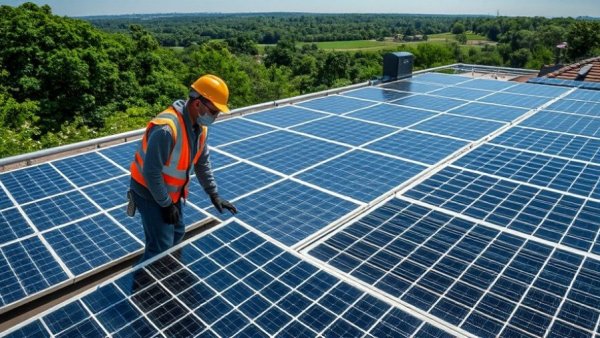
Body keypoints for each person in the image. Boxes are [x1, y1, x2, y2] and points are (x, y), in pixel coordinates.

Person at [129, 74, 237, 261]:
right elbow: (151, 172)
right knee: (160, 247)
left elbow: (202, 163)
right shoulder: (167, 129)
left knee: (178, 233)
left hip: (171, 195)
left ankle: (168, 274)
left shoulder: (200, 129)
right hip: (148, 192)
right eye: (214, 112)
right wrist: (165, 204)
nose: (216, 116)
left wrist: (214, 194)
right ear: (198, 104)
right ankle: (148, 285)